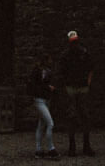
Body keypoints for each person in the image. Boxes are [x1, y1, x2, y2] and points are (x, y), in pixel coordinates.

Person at [60, 29, 95, 157]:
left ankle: (85, 146)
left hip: (80, 87)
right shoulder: (66, 55)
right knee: (72, 116)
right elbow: (62, 72)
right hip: (72, 88)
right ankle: (73, 146)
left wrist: (87, 83)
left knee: (83, 115)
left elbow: (91, 68)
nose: (75, 44)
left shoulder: (84, 53)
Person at [28, 52, 59, 159]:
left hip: (45, 100)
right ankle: (51, 148)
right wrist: (48, 87)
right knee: (50, 123)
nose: (51, 61)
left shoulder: (46, 71)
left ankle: (38, 149)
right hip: (40, 100)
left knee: (41, 125)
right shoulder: (37, 72)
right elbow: (37, 86)